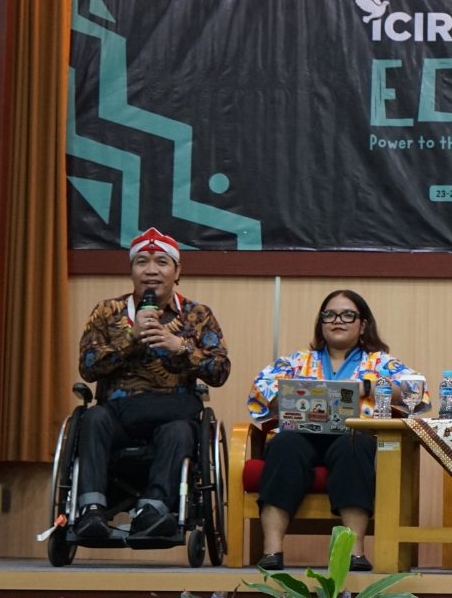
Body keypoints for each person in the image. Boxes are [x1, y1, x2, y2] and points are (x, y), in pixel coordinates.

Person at [246, 289, 426, 572]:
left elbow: (417, 390)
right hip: (301, 436)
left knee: (352, 446)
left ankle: (354, 552)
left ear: (363, 324)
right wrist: (291, 394)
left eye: (347, 315)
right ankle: (272, 550)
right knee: (284, 445)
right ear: (321, 323)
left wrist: (368, 387)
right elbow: (260, 392)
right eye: (329, 315)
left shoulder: (379, 362)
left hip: (352, 437)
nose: (337, 320)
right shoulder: (297, 362)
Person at [71, 228, 231, 541]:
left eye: (161, 262)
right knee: (93, 417)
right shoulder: (107, 311)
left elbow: (220, 371)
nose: (151, 270)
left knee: (181, 430)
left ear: (177, 271)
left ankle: (153, 511)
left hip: (172, 418)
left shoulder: (197, 315)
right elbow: (88, 368)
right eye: (142, 262)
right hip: (117, 417)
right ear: (131, 270)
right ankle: (91, 510)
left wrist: (180, 347)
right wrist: (130, 339)